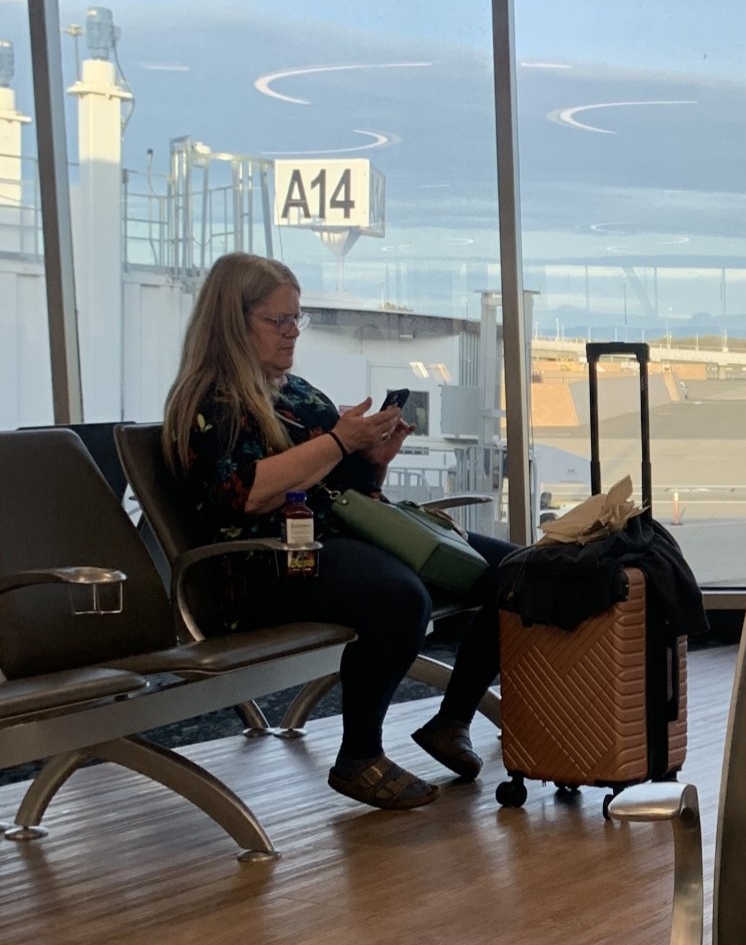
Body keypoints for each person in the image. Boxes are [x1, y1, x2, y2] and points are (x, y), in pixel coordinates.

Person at [163, 252, 513, 810]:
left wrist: (375, 455)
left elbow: (347, 483)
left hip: (331, 541)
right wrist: (339, 441)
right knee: (396, 596)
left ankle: (452, 720)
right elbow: (245, 493)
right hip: (265, 564)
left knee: (512, 573)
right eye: (277, 321)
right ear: (233, 320)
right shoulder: (209, 403)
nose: (291, 333)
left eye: (296, 319)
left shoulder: (295, 392)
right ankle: (359, 756)